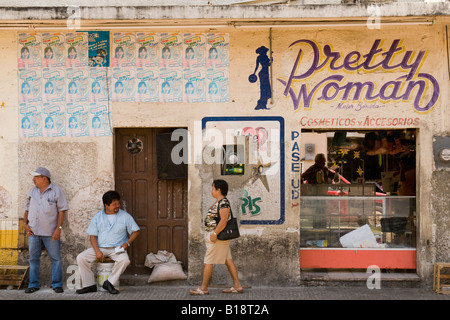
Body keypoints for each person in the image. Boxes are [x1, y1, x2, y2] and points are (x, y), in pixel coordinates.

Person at [76, 190, 140, 294]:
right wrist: (97, 251)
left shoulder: (125, 216)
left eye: (118, 203)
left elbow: (136, 231)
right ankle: (89, 285)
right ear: (106, 205)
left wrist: (127, 243)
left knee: (125, 260)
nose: (117, 206)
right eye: (114, 204)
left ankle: (109, 282)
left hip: (117, 249)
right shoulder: (97, 217)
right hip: (100, 248)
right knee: (81, 257)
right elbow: (92, 237)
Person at [189, 179, 243, 295]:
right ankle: (237, 285)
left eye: (213, 188)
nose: (211, 190)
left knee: (208, 261)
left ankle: (203, 288)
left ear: (218, 190)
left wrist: (214, 234)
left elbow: (223, 220)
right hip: (217, 237)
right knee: (228, 260)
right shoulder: (219, 202)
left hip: (217, 237)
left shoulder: (223, 203)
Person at [24, 167, 69, 294]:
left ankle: (57, 284)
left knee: (55, 258)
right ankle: (33, 284)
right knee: (33, 259)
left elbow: (62, 210)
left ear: (44, 178)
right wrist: (24, 223)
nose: (33, 180)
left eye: (36, 177)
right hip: (33, 232)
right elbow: (27, 209)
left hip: (51, 232)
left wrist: (58, 229)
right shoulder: (32, 191)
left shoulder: (56, 191)